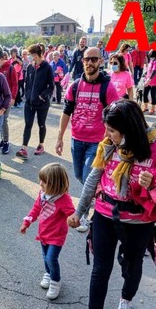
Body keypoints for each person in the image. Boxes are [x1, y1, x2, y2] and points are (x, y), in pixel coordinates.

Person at [67, 99, 156, 309]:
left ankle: (125, 300)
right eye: (106, 129)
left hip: (139, 222)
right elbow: (92, 179)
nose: (107, 135)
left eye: (112, 131)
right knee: (100, 269)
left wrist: (153, 183)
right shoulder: (108, 146)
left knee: (132, 266)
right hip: (104, 215)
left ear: (129, 130)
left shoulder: (153, 149)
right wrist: (79, 212)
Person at [55, 47, 119, 232]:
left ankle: (84, 215)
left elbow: (116, 115)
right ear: (82, 61)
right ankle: (102, 193)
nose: (89, 63)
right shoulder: (75, 86)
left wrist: (112, 138)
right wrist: (60, 138)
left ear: (100, 61)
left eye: (93, 59)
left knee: (87, 176)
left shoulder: (108, 86)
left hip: (97, 143)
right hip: (77, 139)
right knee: (77, 175)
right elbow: (66, 112)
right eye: (86, 59)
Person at [20, 163, 75, 300]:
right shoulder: (43, 194)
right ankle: (48, 273)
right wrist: (27, 222)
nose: (40, 183)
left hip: (57, 236)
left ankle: (55, 281)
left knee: (51, 258)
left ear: (55, 184)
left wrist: (75, 220)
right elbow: (36, 209)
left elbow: (72, 214)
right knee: (45, 257)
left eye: (44, 182)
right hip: (44, 232)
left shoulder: (64, 199)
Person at [16, 43, 54, 159]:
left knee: (41, 124)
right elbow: (27, 84)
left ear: (39, 54)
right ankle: (24, 149)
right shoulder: (30, 67)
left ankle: (41, 145)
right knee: (28, 124)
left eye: (33, 55)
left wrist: (42, 96)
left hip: (42, 103)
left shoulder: (47, 67)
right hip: (29, 102)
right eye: (30, 55)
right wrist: (27, 95)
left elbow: (51, 87)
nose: (31, 57)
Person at [0, 49, 18, 154]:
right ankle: (2, 139)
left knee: (4, 120)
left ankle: (6, 142)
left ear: (2, 59)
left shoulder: (10, 68)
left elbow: (15, 84)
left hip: (6, 99)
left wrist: (13, 97)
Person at [142, 49, 156, 114]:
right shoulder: (151, 60)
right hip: (147, 81)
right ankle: (146, 107)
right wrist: (145, 74)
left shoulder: (155, 61)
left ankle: (153, 109)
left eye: (150, 52)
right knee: (144, 93)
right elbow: (149, 70)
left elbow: (154, 71)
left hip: (154, 82)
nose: (149, 53)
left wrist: (149, 79)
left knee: (153, 95)